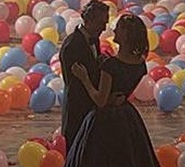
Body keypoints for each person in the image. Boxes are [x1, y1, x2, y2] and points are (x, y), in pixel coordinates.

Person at [65, 13, 159, 167]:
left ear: (128, 35)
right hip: (127, 116)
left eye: (119, 28)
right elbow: (123, 91)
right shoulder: (140, 64)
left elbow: (100, 101)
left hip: (104, 121)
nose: (114, 30)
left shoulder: (111, 65)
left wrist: (84, 78)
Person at [59, 0, 110, 149]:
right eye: (101, 23)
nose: (104, 27)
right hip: (78, 110)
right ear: (89, 20)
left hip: (92, 109)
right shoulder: (72, 46)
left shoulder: (95, 40)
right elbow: (74, 85)